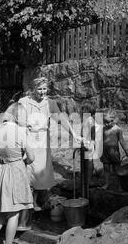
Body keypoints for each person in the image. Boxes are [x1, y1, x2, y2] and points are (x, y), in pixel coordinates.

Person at [18, 77, 82, 211]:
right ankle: (29, 202)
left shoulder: (50, 103)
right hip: (28, 137)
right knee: (29, 169)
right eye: (39, 89)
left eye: (44, 89)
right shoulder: (24, 102)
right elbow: (20, 123)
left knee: (42, 170)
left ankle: (40, 197)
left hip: (43, 140)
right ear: (33, 89)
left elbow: (61, 120)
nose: (42, 92)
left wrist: (73, 134)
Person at [0, 102, 35, 244]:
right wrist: (24, 161)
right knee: (14, 212)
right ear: (19, 116)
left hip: (2, 169)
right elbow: (31, 157)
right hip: (15, 169)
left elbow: (0, 151)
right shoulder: (21, 132)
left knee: (1, 210)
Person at [100, 109, 128, 190]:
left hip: (114, 152)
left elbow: (122, 141)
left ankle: (119, 185)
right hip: (105, 151)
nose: (107, 124)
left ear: (115, 119)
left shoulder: (117, 129)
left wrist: (127, 151)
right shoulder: (103, 129)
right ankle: (106, 183)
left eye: (109, 121)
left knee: (116, 169)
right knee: (106, 168)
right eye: (105, 122)